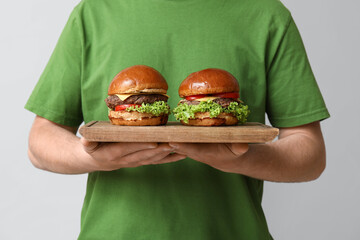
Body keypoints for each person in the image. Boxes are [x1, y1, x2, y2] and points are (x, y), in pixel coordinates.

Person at [25, 0, 330, 239]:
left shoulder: (268, 15)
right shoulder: (92, 13)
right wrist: (93, 158)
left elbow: (310, 152)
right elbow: (40, 141)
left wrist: (242, 158)